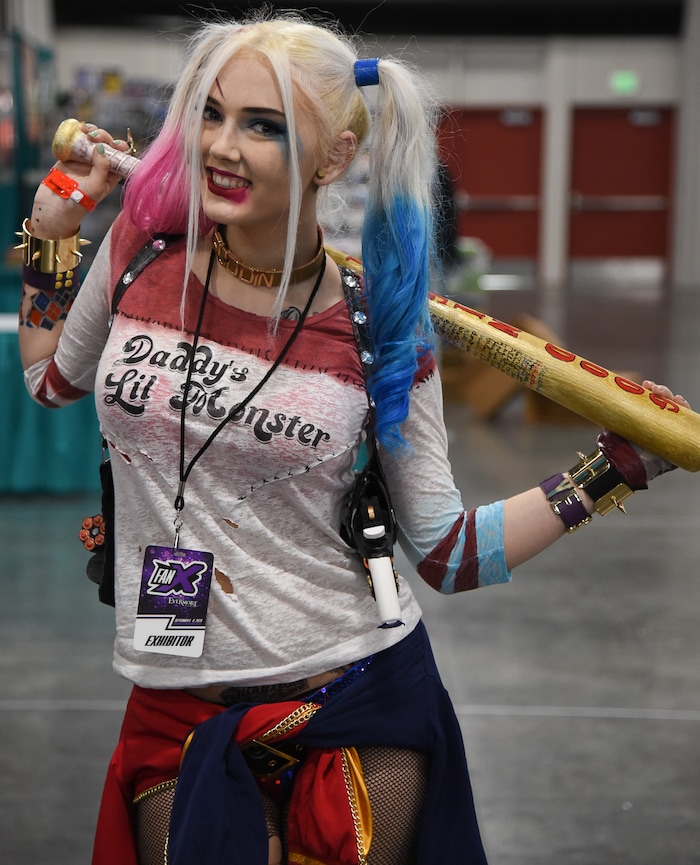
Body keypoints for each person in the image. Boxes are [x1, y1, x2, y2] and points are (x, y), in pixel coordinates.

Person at [16, 12, 689, 865]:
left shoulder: (383, 329)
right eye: (212, 113)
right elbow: (49, 380)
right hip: (174, 700)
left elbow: (446, 552)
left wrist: (612, 467)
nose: (222, 146)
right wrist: (55, 224)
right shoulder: (140, 257)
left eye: (264, 126)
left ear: (334, 157)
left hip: (354, 694)